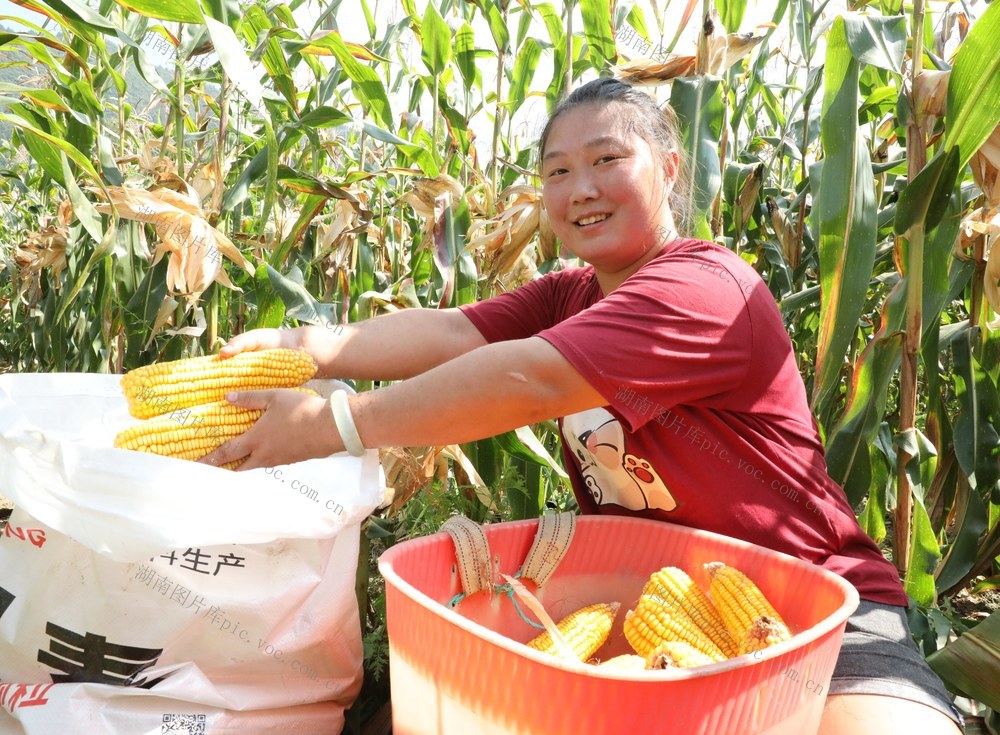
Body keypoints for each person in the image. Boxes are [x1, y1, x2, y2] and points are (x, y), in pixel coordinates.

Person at [200, 78, 964, 734]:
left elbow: (529, 379)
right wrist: (306, 346)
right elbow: (450, 332)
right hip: (656, 607)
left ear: (669, 168)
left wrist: (337, 424)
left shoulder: (702, 286)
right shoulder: (571, 294)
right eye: (558, 171)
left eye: (606, 160)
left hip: (810, 603)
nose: (579, 189)